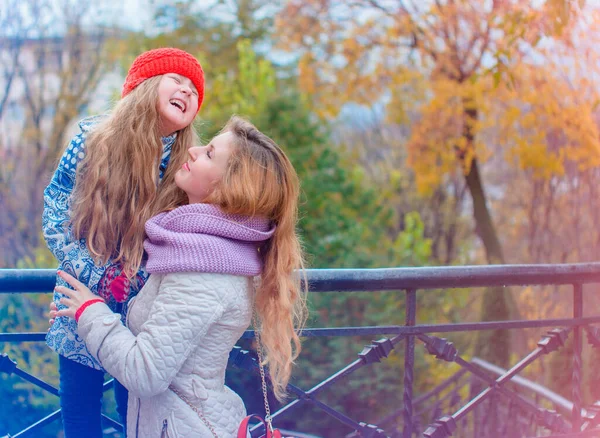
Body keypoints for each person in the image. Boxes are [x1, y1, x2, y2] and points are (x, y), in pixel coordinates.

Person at [49, 116, 308, 437]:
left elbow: (145, 372)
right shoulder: (210, 251)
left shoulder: (204, 268)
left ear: (232, 187)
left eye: (210, 154)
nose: (193, 151)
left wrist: (89, 312)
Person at [43, 47, 205, 437]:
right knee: (80, 415)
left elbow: (187, 232)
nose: (187, 92)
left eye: (195, 91)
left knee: (138, 414)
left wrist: (140, 282)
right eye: (177, 81)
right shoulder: (92, 139)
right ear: (146, 86)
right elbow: (55, 211)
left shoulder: (189, 164)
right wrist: (93, 274)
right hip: (81, 298)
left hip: (145, 309)